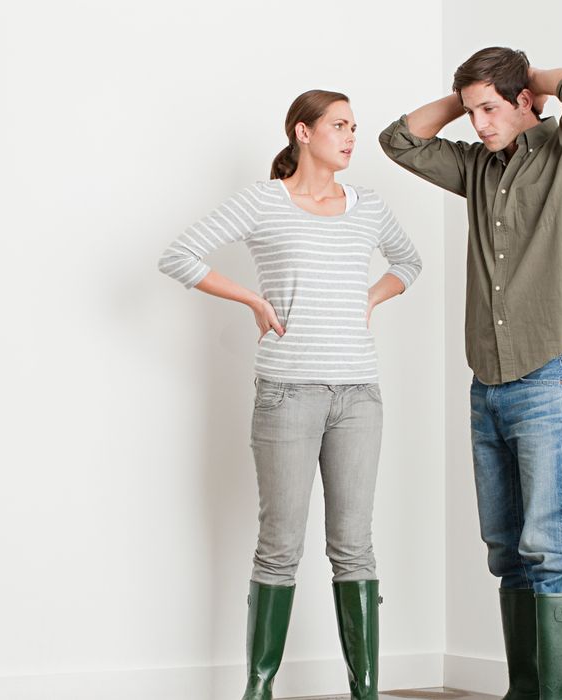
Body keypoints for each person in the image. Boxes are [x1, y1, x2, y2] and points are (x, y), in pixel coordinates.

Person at [158, 89, 422, 700]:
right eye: (339, 125)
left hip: (359, 395)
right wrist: (252, 299)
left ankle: (365, 692)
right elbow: (179, 255)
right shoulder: (264, 202)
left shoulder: (368, 206)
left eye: (354, 126)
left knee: (354, 547)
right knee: (279, 546)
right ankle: (259, 688)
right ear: (303, 132)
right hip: (287, 393)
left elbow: (408, 262)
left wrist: (369, 298)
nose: (351, 136)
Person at [379, 47, 562, 699]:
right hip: (487, 380)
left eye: (491, 109)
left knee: (551, 542)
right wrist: (471, 96)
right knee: (507, 548)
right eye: (471, 112)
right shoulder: (477, 167)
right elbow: (399, 141)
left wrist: (525, 79)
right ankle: (525, 691)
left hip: (549, 371)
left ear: (524, 102)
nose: (479, 124)